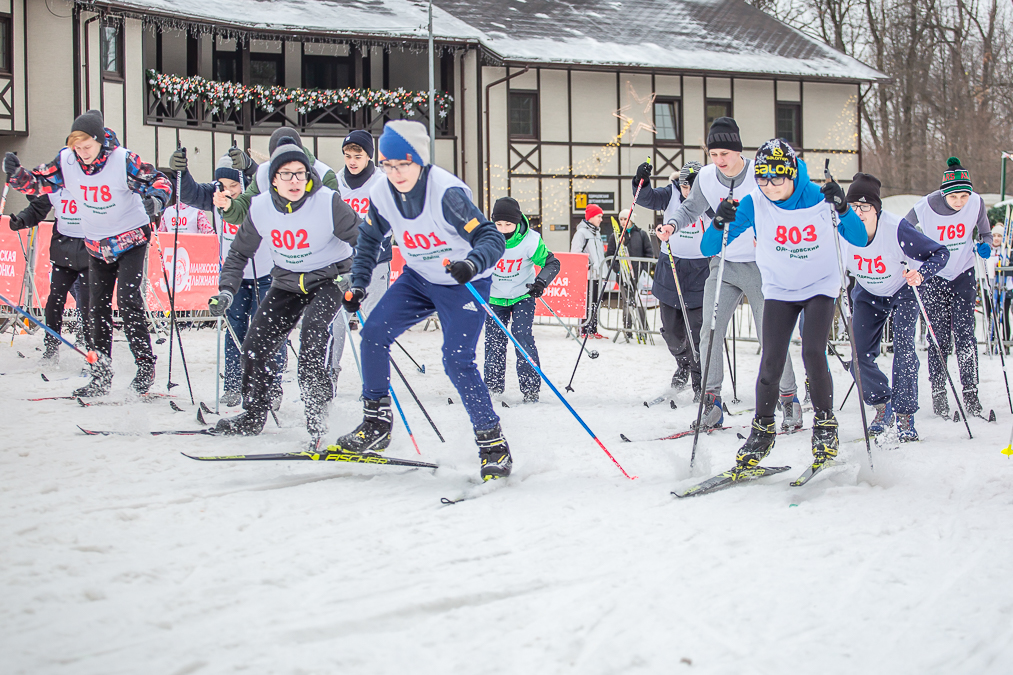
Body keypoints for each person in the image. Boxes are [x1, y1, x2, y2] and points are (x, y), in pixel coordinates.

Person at [333, 120, 509, 481]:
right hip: (418, 278)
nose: (395, 173)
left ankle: (493, 444)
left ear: (421, 162)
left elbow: (492, 237)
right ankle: (376, 422)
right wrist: (360, 283)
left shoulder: (446, 193)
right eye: (388, 164)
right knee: (374, 334)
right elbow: (369, 239)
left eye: (404, 164)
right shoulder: (382, 191)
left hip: (462, 281)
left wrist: (472, 263)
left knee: (457, 360)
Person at [700, 139, 868, 469]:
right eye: (762, 177)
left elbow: (859, 238)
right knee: (772, 358)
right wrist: (720, 222)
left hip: (820, 286)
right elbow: (710, 247)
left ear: (792, 174)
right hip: (780, 288)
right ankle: (762, 430)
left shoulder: (819, 198)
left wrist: (844, 208)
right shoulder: (754, 202)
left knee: (812, 351)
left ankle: (824, 425)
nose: (769, 186)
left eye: (777, 178)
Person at [4, 110, 171, 396]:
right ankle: (101, 375)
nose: (82, 153)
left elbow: (160, 181)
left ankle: (144, 367)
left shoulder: (122, 160)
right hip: (96, 243)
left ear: (100, 142)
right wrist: (17, 175)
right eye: (77, 148)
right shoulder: (67, 162)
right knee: (96, 308)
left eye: (87, 147)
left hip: (131, 239)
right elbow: (39, 183)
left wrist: (156, 200)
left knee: (129, 300)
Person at [648, 118, 800, 431]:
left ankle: (789, 399)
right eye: (713, 154)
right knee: (710, 332)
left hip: (759, 265)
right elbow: (691, 208)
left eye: (724, 154)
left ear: (737, 151)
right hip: (722, 263)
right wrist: (672, 225)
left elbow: (782, 206)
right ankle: (712, 402)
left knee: (769, 335)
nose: (719, 161)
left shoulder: (759, 175)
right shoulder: (705, 176)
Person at [207, 138, 359, 443]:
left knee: (313, 337)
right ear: (273, 180)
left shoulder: (327, 201)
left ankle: (316, 415)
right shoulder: (260, 207)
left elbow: (364, 239)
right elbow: (238, 253)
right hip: (287, 282)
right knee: (254, 345)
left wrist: (354, 277)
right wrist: (226, 290)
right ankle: (253, 413)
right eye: (286, 174)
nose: (294, 180)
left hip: (327, 280)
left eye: (300, 173)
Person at [166, 148, 284, 408]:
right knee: (235, 332)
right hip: (235, 278)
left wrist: (252, 167)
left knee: (268, 332)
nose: (228, 191)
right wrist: (181, 173)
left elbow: (267, 184)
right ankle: (233, 385)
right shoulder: (216, 196)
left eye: (234, 185)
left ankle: (272, 387)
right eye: (223, 185)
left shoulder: (259, 197)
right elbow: (190, 193)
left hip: (266, 275)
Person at [842, 173, 949, 442]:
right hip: (867, 292)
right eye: (853, 206)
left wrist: (921, 273)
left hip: (903, 289)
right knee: (859, 353)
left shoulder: (896, 228)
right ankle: (882, 405)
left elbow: (940, 253)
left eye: (865, 207)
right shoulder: (841, 230)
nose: (859, 212)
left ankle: (904, 413)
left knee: (903, 347)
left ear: (877, 209)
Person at [904, 157, 992, 417]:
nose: (960, 202)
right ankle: (939, 391)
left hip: (963, 273)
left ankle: (970, 392)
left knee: (966, 334)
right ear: (944, 193)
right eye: (955, 197)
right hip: (934, 276)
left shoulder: (976, 203)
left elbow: (985, 232)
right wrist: (914, 259)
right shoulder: (925, 206)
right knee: (939, 336)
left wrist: (984, 243)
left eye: (965, 196)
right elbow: (903, 232)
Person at [635, 161, 709, 394]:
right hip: (672, 264)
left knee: (698, 330)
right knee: (671, 331)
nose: (689, 193)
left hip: (700, 266)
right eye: (686, 187)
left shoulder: (708, 198)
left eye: (693, 187)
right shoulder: (670, 193)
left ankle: (699, 377)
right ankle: (683, 363)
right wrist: (642, 181)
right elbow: (645, 198)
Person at [328, 130, 390, 383]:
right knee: (337, 320)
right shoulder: (335, 181)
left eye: (358, 156)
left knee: (374, 321)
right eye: (347, 155)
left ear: (368, 157)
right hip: (341, 261)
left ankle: (374, 374)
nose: (352, 161)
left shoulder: (382, 181)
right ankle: (329, 372)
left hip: (375, 260)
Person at [484, 196, 560, 403]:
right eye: (498, 224)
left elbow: (552, 263)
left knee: (522, 337)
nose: (503, 229)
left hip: (522, 297)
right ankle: (492, 387)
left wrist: (541, 283)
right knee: (494, 341)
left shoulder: (531, 240)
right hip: (494, 298)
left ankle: (530, 389)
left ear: (517, 221)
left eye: (508, 224)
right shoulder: (486, 238)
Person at [8, 189, 91, 364]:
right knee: (54, 301)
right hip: (63, 253)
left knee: (87, 303)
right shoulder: (57, 186)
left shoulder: (91, 184)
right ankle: (51, 348)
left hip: (90, 254)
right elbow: (37, 208)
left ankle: (91, 350)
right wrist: (22, 220)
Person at [213, 127, 339, 225]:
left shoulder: (324, 174)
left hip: (314, 250)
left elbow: (335, 217)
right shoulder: (263, 173)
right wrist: (228, 206)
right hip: (278, 251)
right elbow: (247, 208)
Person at [605, 208, 653, 338]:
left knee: (639, 302)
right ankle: (628, 329)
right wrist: (618, 269)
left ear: (631, 220)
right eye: (620, 219)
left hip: (638, 276)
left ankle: (643, 329)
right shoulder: (615, 235)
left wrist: (643, 269)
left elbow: (649, 253)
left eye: (625, 219)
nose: (622, 221)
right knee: (627, 302)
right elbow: (610, 254)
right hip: (623, 276)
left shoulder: (641, 234)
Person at [570, 203, 607, 338]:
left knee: (595, 302)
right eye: (598, 216)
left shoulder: (597, 233)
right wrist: (589, 264)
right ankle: (584, 329)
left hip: (597, 275)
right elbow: (575, 253)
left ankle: (593, 329)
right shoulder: (581, 233)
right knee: (586, 303)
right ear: (590, 217)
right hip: (586, 275)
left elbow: (599, 255)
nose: (601, 219)